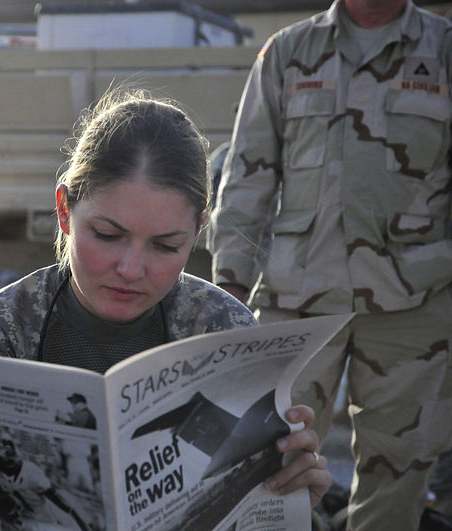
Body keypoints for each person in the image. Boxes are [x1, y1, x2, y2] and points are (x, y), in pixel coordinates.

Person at [0, 89, 333, 529]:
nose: (131, 269)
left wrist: (290, 497)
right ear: (64, 211)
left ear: (198, 233)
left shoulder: (224, 329)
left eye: (166, 246)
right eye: (108, 236)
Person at [208, 1, 452, 529]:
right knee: (270, 461)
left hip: (414, 304)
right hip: (297, 300)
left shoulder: (444, 49)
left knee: (401, 470)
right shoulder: (289, 52)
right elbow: (247, 177)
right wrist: (225, 297)